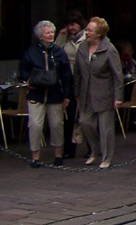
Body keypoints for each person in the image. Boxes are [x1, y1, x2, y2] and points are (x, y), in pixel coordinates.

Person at [19, 21, 73, 168]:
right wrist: (28, 79)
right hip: (36, 94)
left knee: (56, 125)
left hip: (55, 95)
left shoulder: (59, 52)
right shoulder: (31, 52)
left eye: (52, 32)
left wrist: (67, 95)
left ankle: (58, 155)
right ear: (40, 36)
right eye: (47, 32)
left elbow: (67, 75)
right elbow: (22, 68)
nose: (51, 35)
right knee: (35, 125)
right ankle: (35, 156)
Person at [75, 17, 124, 169]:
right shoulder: (82, 47)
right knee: (85, 122)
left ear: (99, 33)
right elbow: (77, 72)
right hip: (86, 94)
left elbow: (117, 75)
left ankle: (106, 157)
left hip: (104, 94)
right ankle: (94, 149)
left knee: (105, 128)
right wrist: (76, 91)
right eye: (86, 29)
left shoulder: (109, 49)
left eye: (90, 30)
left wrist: (118, 97)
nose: (86, 32)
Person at [54, 10, 86, 159]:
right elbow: (55, 52)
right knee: (70, 116)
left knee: (86, 116)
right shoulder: (65, 39)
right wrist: (61, 35)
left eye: (73, 24)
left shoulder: (86, 37)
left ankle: (91, 147)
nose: (71, 28)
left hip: (84, 79)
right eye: (69, 25)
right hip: (68, 79)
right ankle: (69, 148)